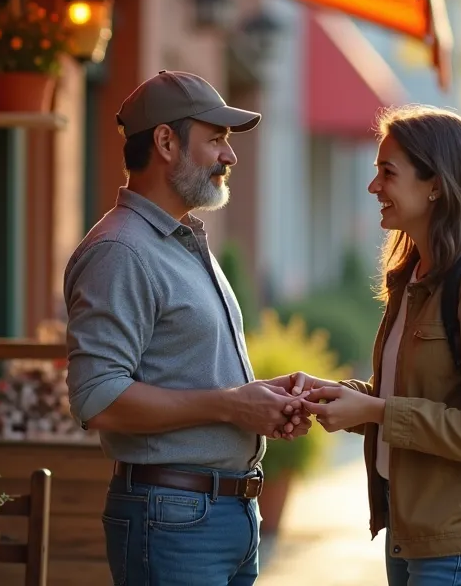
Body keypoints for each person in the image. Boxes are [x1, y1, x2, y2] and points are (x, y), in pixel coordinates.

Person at [64, 70, 310, 586]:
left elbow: (188, 376)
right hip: (172, 519)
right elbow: (98, 399)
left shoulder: (178, 240)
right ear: (165, 142)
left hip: (220, 514)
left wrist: (258, 399)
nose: (230, 155)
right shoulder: (120, 250)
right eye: (216, 138)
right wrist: (230, 405)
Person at [290, 105, 461, 586]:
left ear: (435, 184)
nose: (373, 186)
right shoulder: (413, 279)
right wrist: (335, 396)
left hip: (458, 547)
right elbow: (407, 399)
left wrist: (376, 411)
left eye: (388, 172)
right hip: (409, 534)